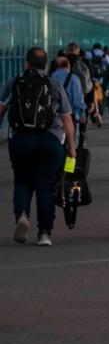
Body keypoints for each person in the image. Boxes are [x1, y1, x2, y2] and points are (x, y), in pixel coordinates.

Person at [0, 48, 77, 247]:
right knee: (45, 186)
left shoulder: (15, 82)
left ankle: (22, 215)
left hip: (21, 140)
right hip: (49, 141)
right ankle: (44, 233)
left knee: (23, 181)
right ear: (45, 65)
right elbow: (67, 119)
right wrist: (71, 145)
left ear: (26, 63)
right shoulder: (54, 84)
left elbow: (1, 108)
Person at [50, 56, 87, 129]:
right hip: (70, 116)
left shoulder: (50, 78)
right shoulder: (74, 78)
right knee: (71, 139)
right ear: (68, 65)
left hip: (53, 116)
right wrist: (81, 114)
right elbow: (78, 100)